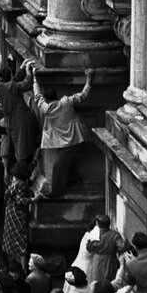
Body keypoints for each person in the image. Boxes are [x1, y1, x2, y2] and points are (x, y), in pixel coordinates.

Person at [25, 65, 95, 198]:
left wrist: (34, 79)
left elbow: (37, 96)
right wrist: (88, 78)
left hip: (69, 142)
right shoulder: (67, 101)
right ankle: (73, 178)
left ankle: (56, 192)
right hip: (76, 138)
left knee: (58, 166)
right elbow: (84, 94)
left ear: (47, 99)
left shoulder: (46, 108)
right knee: (66, 163)